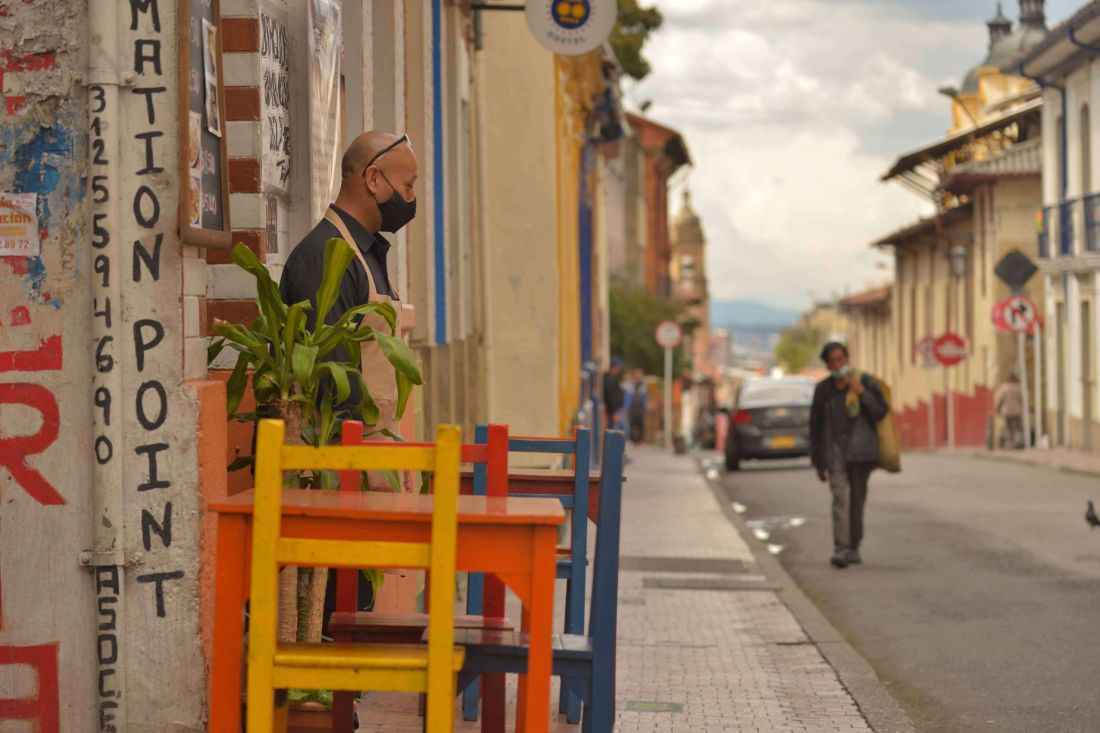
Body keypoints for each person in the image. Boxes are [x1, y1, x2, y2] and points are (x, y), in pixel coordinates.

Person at [279, 130, 418, 630]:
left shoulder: (367, 253)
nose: (411, 198)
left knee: (355, 607)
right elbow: (331, 379)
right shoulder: (326, 255)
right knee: (330, 617)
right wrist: (364, 460)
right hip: (334, 477)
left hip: (366, 466)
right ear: (373, 179)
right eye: (407, 185)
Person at [809, 342, 889, 569]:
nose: (837, 365)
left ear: (847, 359)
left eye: (840, 360)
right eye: (832, 361)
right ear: (827, 365)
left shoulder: (865, 382)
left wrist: (863, 394)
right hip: (834, 451)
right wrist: (817, 461)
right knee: (839, 499)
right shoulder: (823, 390)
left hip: (861, 452)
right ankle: (841, 549)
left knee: (857, 501)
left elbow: (880, 412)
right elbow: (815, 426)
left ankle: (854, 546)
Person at [995, 373, 1025, 449]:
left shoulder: (1004, 387)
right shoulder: (1019, 387)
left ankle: (1011, 442)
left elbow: (1000, 399)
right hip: (1017, 410)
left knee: (1009, 428)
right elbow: (1022, 399)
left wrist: (998, 409)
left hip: (1007, 410)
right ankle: (1017, 442)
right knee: (1017, 427)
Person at [624, 368, 649, 444]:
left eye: (639, 375)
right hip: (632, 407)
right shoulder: (630, 384)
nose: (638, 376)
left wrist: (645, 406)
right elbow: (627, 397)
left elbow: (645, 397)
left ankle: (640, 440)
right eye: (637, 375)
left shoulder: (643, 385)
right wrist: (626, 406)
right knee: (631, 423)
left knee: (640, 423)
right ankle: (631, 439)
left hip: (640, 407)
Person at [603, 358, 626, 431]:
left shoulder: (613, 378)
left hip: (616, 410)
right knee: (616, 430)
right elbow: (610, 397)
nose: (619, 370)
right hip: (614, 411)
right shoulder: (609, 380)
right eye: (618, 368)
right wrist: (614, 412)